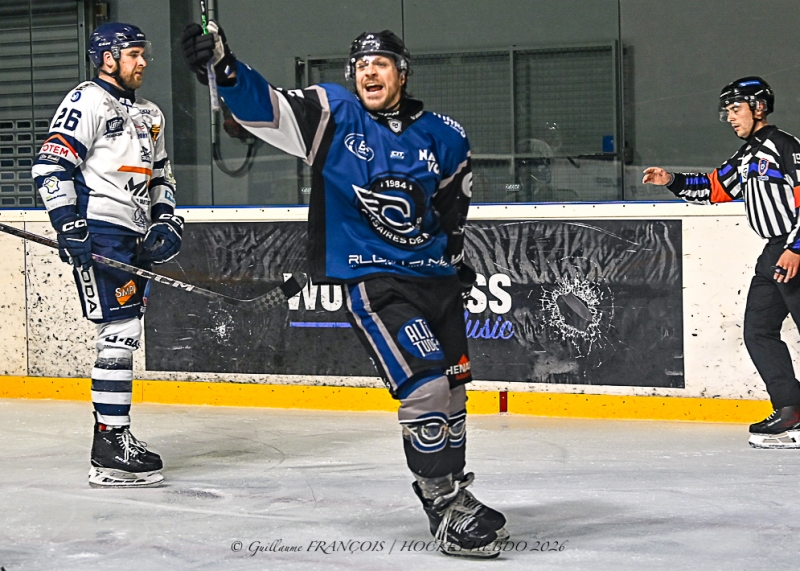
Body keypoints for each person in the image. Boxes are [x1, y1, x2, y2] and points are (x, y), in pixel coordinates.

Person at [181, 25, 507, 557]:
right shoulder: (333, 114)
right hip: (373, 280)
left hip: (435, 283)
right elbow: (266, 109)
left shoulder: (445, 135)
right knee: (424, 387)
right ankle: (442, 506)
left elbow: (451, 213)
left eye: (381, 63)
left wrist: (452, 261)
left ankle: (455, 495)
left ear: (402, 72)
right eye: (360, 65)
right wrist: (225, 68)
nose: (368, 72)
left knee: (452, 395)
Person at [31, 23, 183, 486]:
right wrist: (68, 222)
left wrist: (166, 219)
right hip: (101, 232)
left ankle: (114, 439)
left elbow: (162, 175)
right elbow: (50, 165)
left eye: (143, 54)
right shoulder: (86, 100)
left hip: (135, 236)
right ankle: (109, 444)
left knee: (128, 331)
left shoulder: (151, 113)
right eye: (133, 54)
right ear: (107, 58)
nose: (142, 62)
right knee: (119, 331)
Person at [643, 76, 800, 449]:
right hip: (773, 253)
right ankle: (792, 410)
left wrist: (797, 248)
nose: (729, 117)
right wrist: (671, 180)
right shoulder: (747, 155)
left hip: (793, 249)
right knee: (758, 331)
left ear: (759, 108)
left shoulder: (784, 146)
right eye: (726, 111)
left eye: (735, 109)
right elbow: (714, 188)